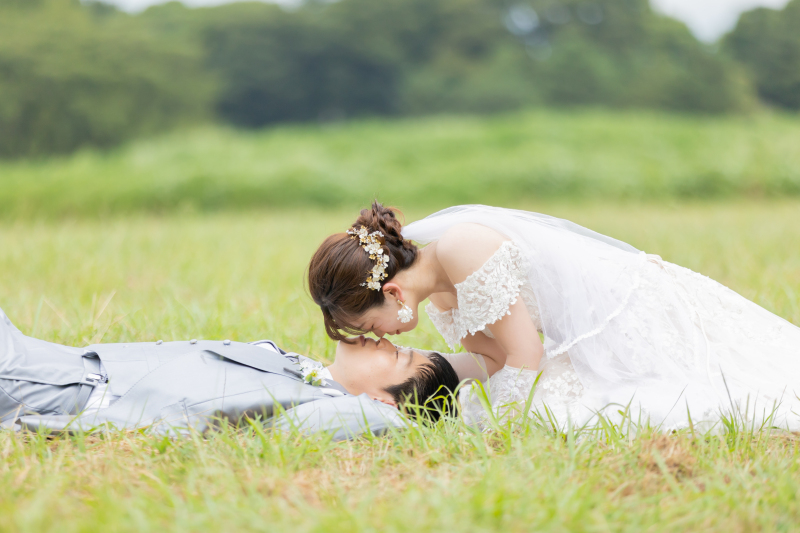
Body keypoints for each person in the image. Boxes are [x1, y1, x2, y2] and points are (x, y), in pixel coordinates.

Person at [308, 202, 800, 431]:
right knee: (555, 405)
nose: (383, 336)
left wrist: (502, 425)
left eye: (373, 326)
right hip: (583, 335)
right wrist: (414, 377)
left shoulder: (460, 248)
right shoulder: (440, 295)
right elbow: (497, 361)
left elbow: (527, 354)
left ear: (391, 292)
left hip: (630, 312)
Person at [0, 307, 459, 440]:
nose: (384, 340)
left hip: (55, 388)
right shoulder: (311, 377)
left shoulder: (338, 410)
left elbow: (392, 422)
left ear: (382, 400)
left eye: (398, 356)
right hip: (54, 361)